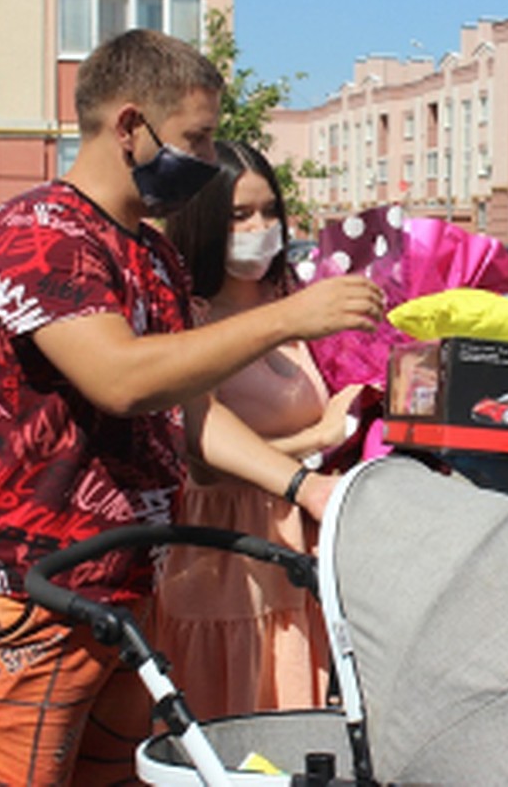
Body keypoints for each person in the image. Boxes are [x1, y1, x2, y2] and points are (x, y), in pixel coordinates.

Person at [0, 29, 384, 785]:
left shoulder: (152, 253)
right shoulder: (40, 235)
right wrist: (285, 319)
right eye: (196, 138)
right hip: (24, 593)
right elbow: (123, 380)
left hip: (125, 593)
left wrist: (306, 486)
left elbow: (188, 413)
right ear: (131, 126)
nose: (207, 160)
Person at [156, 141, 361, 720]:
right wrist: (319, 437)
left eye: (269, 211)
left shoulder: (296, 304)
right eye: (239, 215)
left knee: (301, 699)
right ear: (202, 221)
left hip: (301, 538)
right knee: (240, 708)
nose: (260, 227)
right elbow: (202, 457)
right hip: (227, 553)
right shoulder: (190, 319)